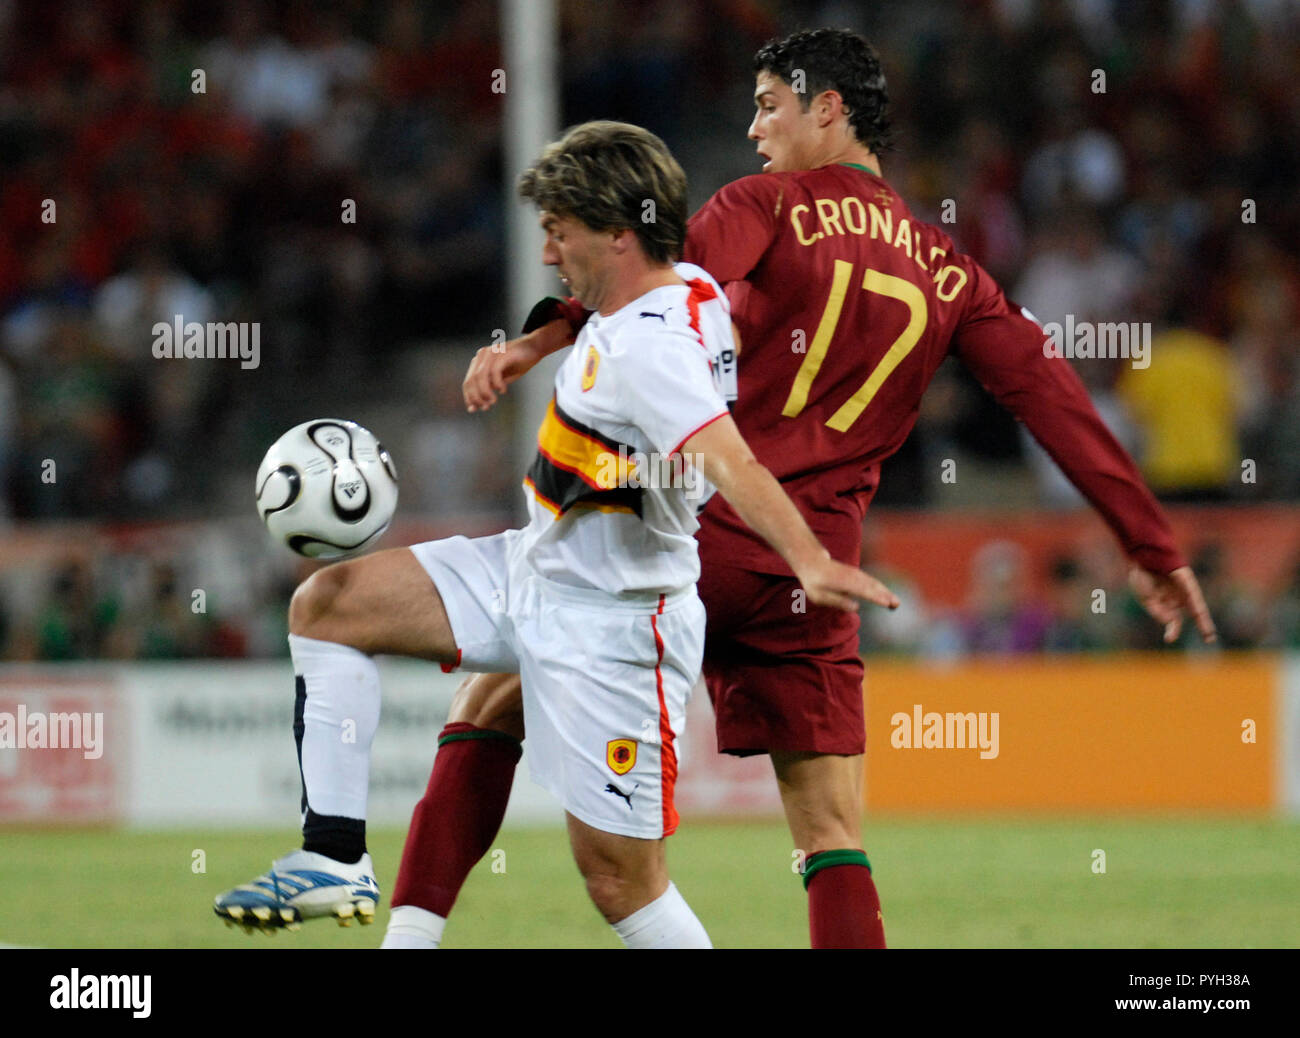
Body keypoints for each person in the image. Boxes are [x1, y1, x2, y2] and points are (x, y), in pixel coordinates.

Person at [382, 28, 1218, 951]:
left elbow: (655, 268)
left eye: (770, 104)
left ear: (829, 109)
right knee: (830, 833)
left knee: (492, 695)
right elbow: (1055, 400)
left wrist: (533, 342)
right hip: (813, 580)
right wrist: (1152, 547)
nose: (752, 128)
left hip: (694, 537)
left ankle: (411, 941)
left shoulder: (769, 205)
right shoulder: (954, 273)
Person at [213, 119, 896, 948]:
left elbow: (730, 462)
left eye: (558, 233)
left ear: (617, 235)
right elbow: (642, 383)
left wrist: (809, 559)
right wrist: (533, 348)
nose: (547, 255)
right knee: (330, 602)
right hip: (535, 570)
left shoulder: (653, 354)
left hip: (616, 625)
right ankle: (333, 859)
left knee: (621, 886)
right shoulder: (688, 289)